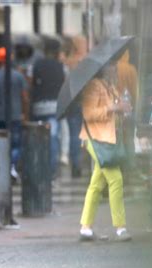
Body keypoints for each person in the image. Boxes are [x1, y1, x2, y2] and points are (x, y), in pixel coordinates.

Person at [78, 61, 132, 242]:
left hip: (107, 139)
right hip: (96, 139)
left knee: (97, 184)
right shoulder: (93, 86)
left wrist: (122, 107)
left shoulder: (110, 87)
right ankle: (120, 227)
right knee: (116, 179)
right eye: (111, 66)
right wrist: (112, 108)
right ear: (103, 69)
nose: (115, 69)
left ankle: (86, 227)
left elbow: (115, 109)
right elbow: (88, 114)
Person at [0, 46, 29, 180]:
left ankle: (1, 169)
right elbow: (25, 98)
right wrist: (25, 115)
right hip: (15, 116)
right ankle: (12, 167)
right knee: (15, 144)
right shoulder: (19, 76)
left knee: (0, 146)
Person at [30, 38, 65, 179]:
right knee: (53, 139)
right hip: (54, 107)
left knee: (39, 139)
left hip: (38, 107)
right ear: (56, 52)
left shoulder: (37, 65)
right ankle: (51, 171)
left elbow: (32, 84)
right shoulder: (60, 67)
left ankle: (39, 169)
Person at [62, 35, 88, 178]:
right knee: (83, 134)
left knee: (74, 134)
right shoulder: (82, 61)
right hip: (82, 101)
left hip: (71, 101)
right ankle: (80, 164)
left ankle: (76, 164)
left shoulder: (67, 62)